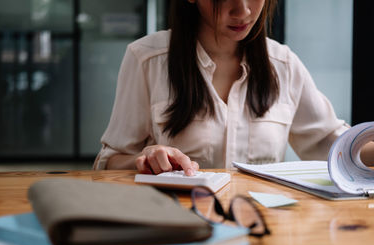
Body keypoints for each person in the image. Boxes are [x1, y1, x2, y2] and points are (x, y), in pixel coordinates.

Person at [94, 0, 373, 175]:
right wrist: (144, 159)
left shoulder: (284, 65)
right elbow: (107, 163)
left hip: (262, 231)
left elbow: (336, 146)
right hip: (178, 231)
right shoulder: (147, 59)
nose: (243, 10)